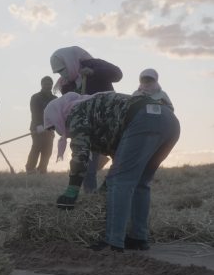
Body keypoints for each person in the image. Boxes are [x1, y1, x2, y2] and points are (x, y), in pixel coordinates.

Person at [44, 92, 180, 251]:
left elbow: (80, 155)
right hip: (169, 121)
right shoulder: (93, 107)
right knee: (140, 182)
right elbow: (122, 157)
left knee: (120, 181)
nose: (57, 132)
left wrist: (72, 190)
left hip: (144, 119)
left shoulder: (75, 112)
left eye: (53, 126)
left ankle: (113, 242)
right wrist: (105, 187)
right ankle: (138, 238)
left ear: (57, 114)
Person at [50, 46, 123, 192]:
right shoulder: (66, 84)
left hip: (108, 120)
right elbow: (68, 105)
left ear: (69, 61)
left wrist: (94, 73)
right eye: (58, 72)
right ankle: (90, 196)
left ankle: (114, 191)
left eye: (62, 69)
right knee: (87, 164)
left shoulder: (93, 64)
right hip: (87, 126)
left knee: (119, 159)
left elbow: (118, 74)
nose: (61, 73)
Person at [25, 76, 57, 174]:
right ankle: (30, 169)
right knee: (36, 147)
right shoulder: (35, 97)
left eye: (49, 84)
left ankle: (42, 170)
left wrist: (53, 126)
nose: (47, 86)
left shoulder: (55, 99)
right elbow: (34, 112)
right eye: (45, 84)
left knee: (47, 150)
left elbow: (57, 114)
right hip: (37, 128)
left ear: (52, 85)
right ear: (41, 85)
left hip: (50, 129)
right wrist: (39, 125)